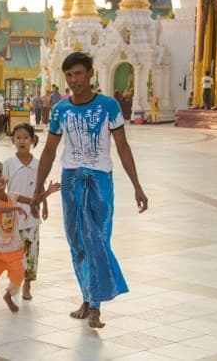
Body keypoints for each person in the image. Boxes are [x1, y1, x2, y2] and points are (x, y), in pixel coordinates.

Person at [30, 52, 148, 328]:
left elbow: (122, 147)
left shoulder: (108, 106)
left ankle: (95, 306)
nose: (74, 80)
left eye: (79, 74)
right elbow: (49, 150)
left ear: (91, 74)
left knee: (98, 240)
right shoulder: (60, 110)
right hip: (71, 181)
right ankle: (87, 296)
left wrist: (137, 186)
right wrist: (37, 189)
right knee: (77, 243)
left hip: (100, 182)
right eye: (69, 75)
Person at [0, 160, 59, 315]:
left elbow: (33, 201)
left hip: (12, 246)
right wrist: (15, 207)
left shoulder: (13, 196)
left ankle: (8, 295)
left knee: (19, 272)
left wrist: (46, 193)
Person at [3, 124, 47, 300]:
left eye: (25, 138)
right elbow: (2, 188)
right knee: (14, 253)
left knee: (31, 253)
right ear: (13, 140)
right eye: (18, 138)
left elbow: (40, 185)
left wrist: (45, 205)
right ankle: (14, 283)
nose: (22, 141)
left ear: (33, 140)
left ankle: (27, 286)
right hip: (13, 216)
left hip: (32, 216)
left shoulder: (38, 164)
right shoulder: (8, 164)